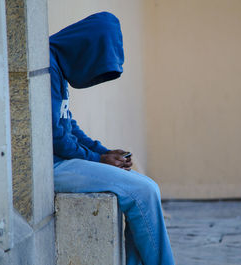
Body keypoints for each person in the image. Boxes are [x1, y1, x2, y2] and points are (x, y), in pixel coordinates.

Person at [49, 12, 175, 265]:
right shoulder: (47, 64)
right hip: (48, 167)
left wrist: (105, 152)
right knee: (144, 191)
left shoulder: (57, 66)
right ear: (88, 46)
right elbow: (54, 136)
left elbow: (68, 126)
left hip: (62, 161)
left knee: (140, 187)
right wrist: (97, 158)